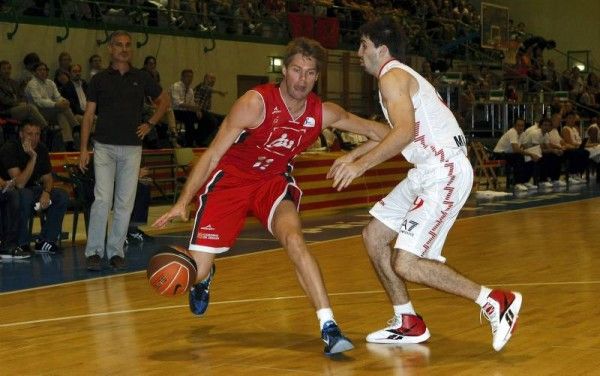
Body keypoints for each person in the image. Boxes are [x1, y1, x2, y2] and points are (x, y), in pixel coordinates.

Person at [153, 37, 389, 355]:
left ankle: (329, 327)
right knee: (199, 269)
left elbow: (382, 133)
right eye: (296, 70)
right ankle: (205, 278)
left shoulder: (323, 113)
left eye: (309, 73)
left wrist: (354, 157)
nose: (302, 79)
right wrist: (183, 202)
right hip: (230, 183)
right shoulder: (255, 103)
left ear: (317, 76)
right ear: (284, 70)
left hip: (272, 183)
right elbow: (211, 155)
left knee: (295, 240)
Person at [327, 17, 522, 352]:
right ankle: (407, 320)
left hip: (443, 171)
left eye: (363, 45)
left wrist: (360, 166)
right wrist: (353, 155)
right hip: (425, 171)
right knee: (374, 237)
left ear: (382, 49)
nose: (358, 52)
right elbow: (396, 133)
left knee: (406, 262)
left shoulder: (392, 77)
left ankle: (495, 300)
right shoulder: (397, 77)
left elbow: (403, 133)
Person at [78, 31, 169, 271]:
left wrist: (150, 124)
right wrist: (83, 149)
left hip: (132, 148)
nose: (124, 49)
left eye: (128, 45)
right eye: (119, 45)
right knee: (102, 199)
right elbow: (88, 116)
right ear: (110, 48)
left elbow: (164, 101)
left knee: (124, 202)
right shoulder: (98, 80)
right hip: (104, 146)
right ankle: (94, 252)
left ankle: (116, 251)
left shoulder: (142, 77)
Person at [0, 122, 69, 254]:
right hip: (11, 191)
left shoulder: (41, 148)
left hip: (33, 189)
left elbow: (48, 178)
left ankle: (46, 241)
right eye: (29, 134)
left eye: (37, 134)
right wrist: (33, 157)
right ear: (21, 134)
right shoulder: (10, 148)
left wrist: (47, 192)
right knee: (24, 195)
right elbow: (19, 183)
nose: (34, 138)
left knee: (61, 196)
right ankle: (22, 243)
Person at [493, 119, 540, 191]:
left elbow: (525, 146)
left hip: (511, 154)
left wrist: (533, 153)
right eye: (518, 125)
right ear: (514, 126)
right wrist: (530, 154)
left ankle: (525, 181)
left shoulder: (523, 134)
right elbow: (516, 149)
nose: (520, 127)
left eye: (522, 126)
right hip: (499, 154)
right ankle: (517, 183)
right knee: (519, 157)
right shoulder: (512, 132)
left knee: (529, 159)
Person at [193, 73, 226, 146]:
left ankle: (205, 139)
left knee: (222, 118)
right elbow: (196, 101)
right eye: (211, 78)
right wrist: (219, 92)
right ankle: (201, 140)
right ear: (205, 79)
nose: (213, 80)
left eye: (214, 79)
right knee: (213, 121)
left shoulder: (208, 90)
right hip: (197, 110)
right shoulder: (201, 86)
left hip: (205, 111)